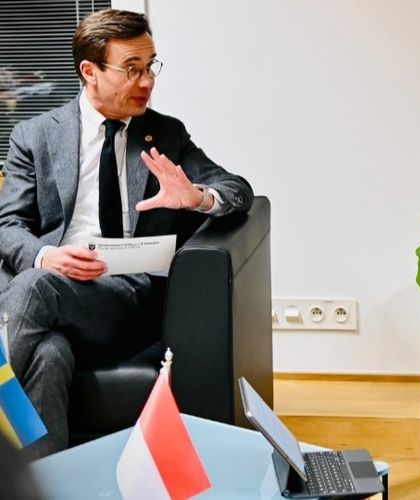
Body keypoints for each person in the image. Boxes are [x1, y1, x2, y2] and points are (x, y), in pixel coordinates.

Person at [0, 9, 253, 458]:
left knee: (32, 290)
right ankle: (46, 482)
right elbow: (8, 226)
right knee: (49, 354)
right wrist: (46, 257)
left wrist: (195, 197)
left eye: (150, 65)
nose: (146, 82)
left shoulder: (166, 135)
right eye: (131, 69)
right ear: (89, 72)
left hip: (122, 298)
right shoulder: (34, 135)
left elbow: (238, 190)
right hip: (48, 289)